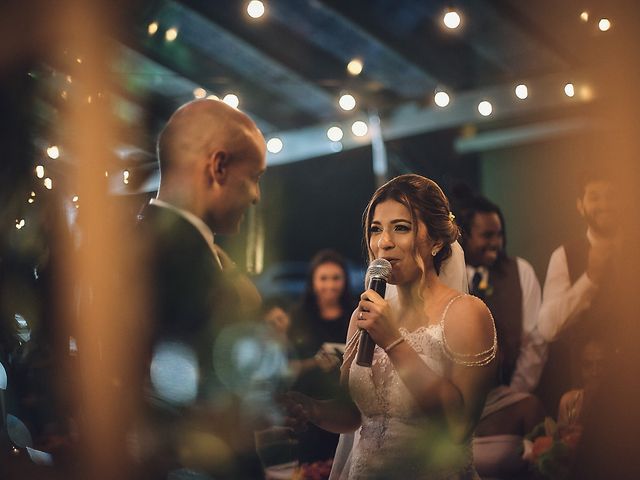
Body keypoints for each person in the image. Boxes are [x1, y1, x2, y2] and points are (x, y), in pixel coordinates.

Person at [284, 174, 497, 479]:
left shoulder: (467, 313)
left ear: (436, 240)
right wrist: (311, 409)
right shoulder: (364, 313)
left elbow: (458, 426)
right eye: (375, 230)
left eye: (401, 228)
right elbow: (353, 415)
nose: (384, 242)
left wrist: (394, 342)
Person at [136, 98, 266, 479]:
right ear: (219, 166)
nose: (257, 195)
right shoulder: (174, 263)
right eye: (255, 176)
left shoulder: (148, 244)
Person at [536, 171, 619, 415]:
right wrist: (590, 278)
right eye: (594, 197)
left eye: (611, 196)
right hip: (588, 392)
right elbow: (548, 328)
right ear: (580, 206)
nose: (604, 205)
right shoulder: (564, 255)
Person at [455, 193, 545, 393]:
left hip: (513, 394)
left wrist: (514, 396)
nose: (496, 243)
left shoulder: (521, 271)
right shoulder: (445, 276)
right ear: (463, 236)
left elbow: (534, 343)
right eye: (487, 235)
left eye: (500, 234)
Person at [288, 250, 355, 464]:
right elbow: (284, 365)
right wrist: (314, 362)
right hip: (310, 411)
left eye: (336, 278)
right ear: (312, 282)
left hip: (347, 408)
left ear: (345, 280)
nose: (330, 285)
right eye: (323, 278)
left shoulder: (355, 314)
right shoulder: (298, 318)